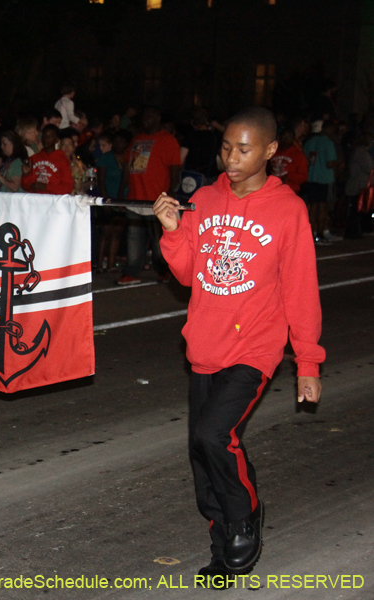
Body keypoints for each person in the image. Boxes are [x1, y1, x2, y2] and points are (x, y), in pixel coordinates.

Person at [153, 106, 324, 589]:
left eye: (243, 149)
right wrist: (171, 230)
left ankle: (246, 516)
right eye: (226, 146)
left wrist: (307, 361)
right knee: (200, 455)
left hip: (255, 345)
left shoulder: (287, 209)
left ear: (270, 151)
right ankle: (222, 550)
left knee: (214, 435)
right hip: (204, 343)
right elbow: (188, 274)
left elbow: (300, 289)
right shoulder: (204, 198)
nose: (230, 157)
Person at [117, 106, 180, 285]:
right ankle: (132, 271)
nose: (146, 119)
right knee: (134, 237)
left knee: (159, 239)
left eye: (151, 115)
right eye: (144, 116)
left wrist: (172, 192)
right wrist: (122, 193)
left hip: (156, 199)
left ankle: (164, 269)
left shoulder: (168, 140)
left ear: (158, 117)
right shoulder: (137, 139)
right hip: (135, 197)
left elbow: (175, 170)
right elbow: (128, 168)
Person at [95, 130, 130, 273]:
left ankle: (110, 264)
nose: (118, 145)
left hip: (123, 200)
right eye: (115, 142)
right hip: (108, 198)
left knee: (117, 232)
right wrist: (105, 200)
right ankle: (99, 264)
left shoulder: (128, 158)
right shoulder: (106, 158)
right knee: (106, 231)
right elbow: (100, 181)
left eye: (121, 142)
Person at [304, 119, 340, 244]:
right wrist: (339, 162)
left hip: (311, 177)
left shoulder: (309, 142)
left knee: (313, 207)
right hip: (324, 179)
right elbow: (330, 163)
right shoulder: (327, 143)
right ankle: (322, 232)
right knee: (323, 207)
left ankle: (312, 233)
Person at [21, 125, 73, 195]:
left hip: (52, 202)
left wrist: (47, 187)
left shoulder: (62, 160)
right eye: (45, 136)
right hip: (34, 201)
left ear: (56, 140)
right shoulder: (34, 158)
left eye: (50, 136)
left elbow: (68, 188)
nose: (46, 139)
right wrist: (26, 175)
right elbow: (25, 186)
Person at [269, 126, 308, 194]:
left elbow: (303, 176)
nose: (286, 139)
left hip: (290, 191)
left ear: (292, 139)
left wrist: (289, 176)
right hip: (273, 189)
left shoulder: (298, 154)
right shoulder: (273, 151)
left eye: (288, 137)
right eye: (284, 137)